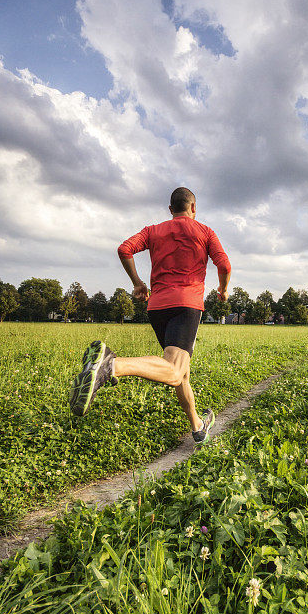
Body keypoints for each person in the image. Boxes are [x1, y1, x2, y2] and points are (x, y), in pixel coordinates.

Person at [68, 187, 231, 445]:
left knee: (178, 370)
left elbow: (124, 249)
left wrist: (137, 283)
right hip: (186, 304)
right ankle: (111, 365)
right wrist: (222, 289)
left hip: (157, 307)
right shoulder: (205, 231)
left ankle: (198, 426)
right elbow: (224, 265)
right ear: (194, 208)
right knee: (175, 371)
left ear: (170, 209)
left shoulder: (153, 230)